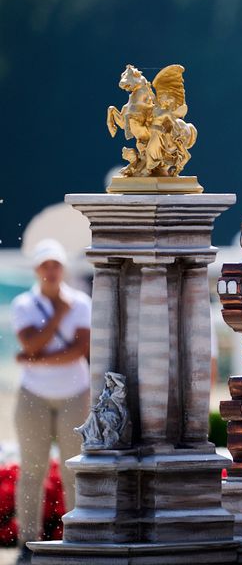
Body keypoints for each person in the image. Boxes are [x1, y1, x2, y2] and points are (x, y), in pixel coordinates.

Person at [11, 239, 91, 563]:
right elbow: (31, 342)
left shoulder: (82, 303)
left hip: (75, 393)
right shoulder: (24, 304)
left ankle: (75, 538)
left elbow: (78, 351)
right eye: (46, 265)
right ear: (37, 270)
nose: (51, 271)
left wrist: (33, 359)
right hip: (34, 396)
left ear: (63, 269)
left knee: (75, 469)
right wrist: (58, 314)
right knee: (32, 470)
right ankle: (27, 542)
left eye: (56, 264)